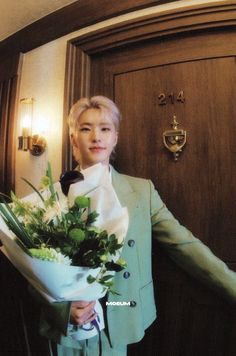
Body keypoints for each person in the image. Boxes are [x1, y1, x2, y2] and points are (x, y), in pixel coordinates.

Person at [39, 95, 236, 356]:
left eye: (105, 128)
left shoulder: (142, 191)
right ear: (74, 138)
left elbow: (184, 245)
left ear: (115, 138)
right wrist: (62, 309)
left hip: (121, 310)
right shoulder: (50, 196)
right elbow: (36, 266)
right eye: (86, 129)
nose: (96, 137)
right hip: (66, 329)